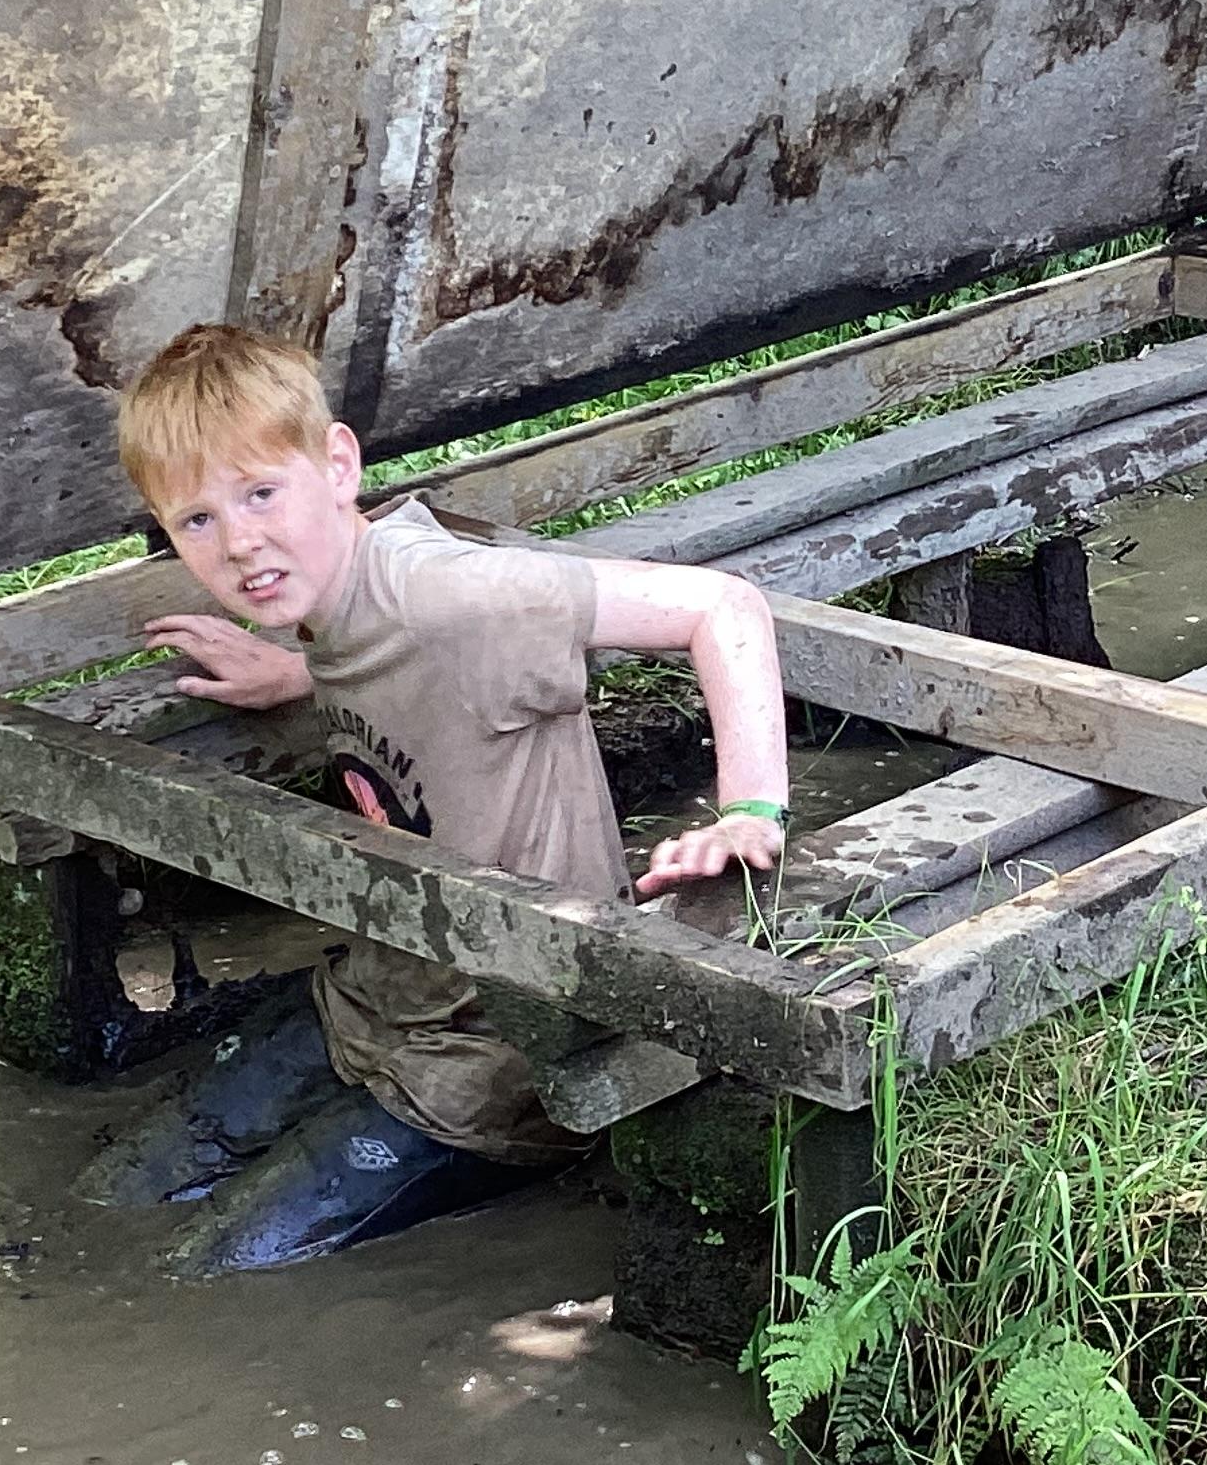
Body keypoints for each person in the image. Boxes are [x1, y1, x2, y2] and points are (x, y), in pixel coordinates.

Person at [75, 322, 791, 1276]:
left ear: (338, 465)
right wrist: (299, 675)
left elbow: (721, 606)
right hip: (377, 1000)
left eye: (261, 493)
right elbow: (397, 668)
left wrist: (749, 810)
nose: (241, 543)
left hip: (508, 1049)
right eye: (197, 520)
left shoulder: (447, 594)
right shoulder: (335, 603)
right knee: (114, 1189)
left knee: (202, 1272)